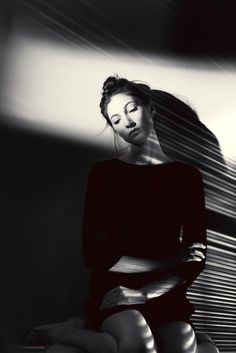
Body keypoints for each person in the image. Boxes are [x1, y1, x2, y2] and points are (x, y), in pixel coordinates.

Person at [28, 76, 219, 353]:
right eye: (115, 119)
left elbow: (195, 259)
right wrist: (169, 259)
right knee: (139, 345)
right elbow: (96, 255)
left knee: (183, 348)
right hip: (115, 291)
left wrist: (147, 291)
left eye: (131, 109)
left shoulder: (187, 176)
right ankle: (73, 332)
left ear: (150, 110)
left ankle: (76, 331)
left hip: (164, 294)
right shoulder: (104, 173)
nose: (126, 122)